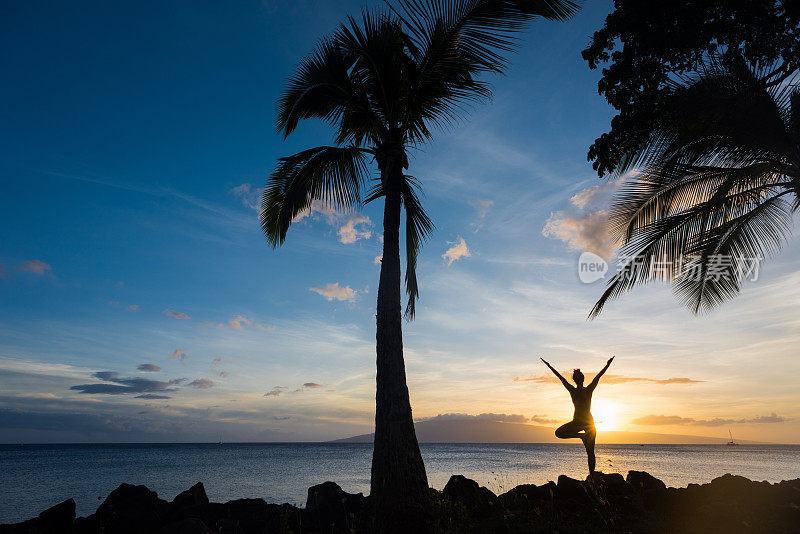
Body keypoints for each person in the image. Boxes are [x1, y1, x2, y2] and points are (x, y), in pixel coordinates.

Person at [540, 356, 614, 474]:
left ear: (575, 380)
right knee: (590, 452)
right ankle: (592, 476)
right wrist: (607, 365)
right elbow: (598, 376)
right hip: (586, 423)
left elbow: (560, 377)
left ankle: (591, 474)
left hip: (581, 423)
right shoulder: (587, 389)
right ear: (582, 379)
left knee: (560, 434)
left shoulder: (573, 390)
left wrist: (549, 366)